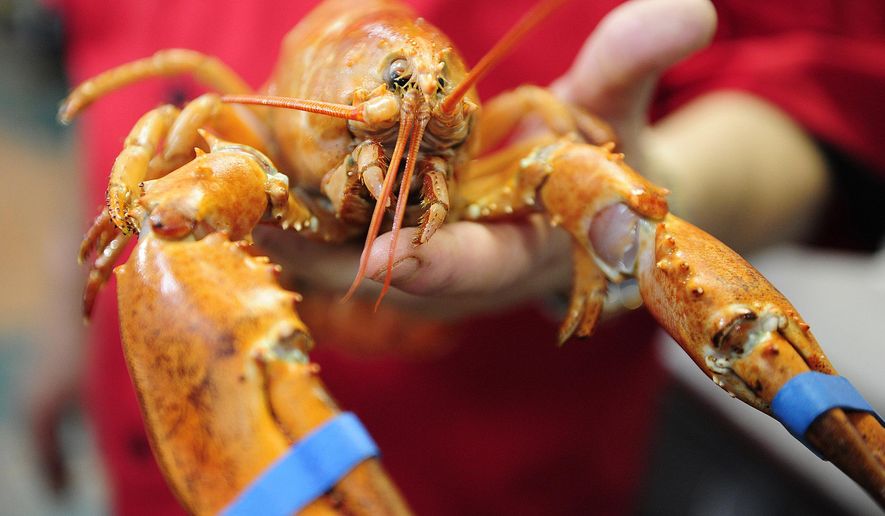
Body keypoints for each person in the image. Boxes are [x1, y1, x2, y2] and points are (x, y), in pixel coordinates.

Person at [33, 0, 885, 514]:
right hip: (172, 423)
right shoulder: (241, 138)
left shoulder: (492, 126)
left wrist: (660, 180)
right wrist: (76, 307)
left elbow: (824, 75)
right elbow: (146, 105)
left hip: (505, 476)